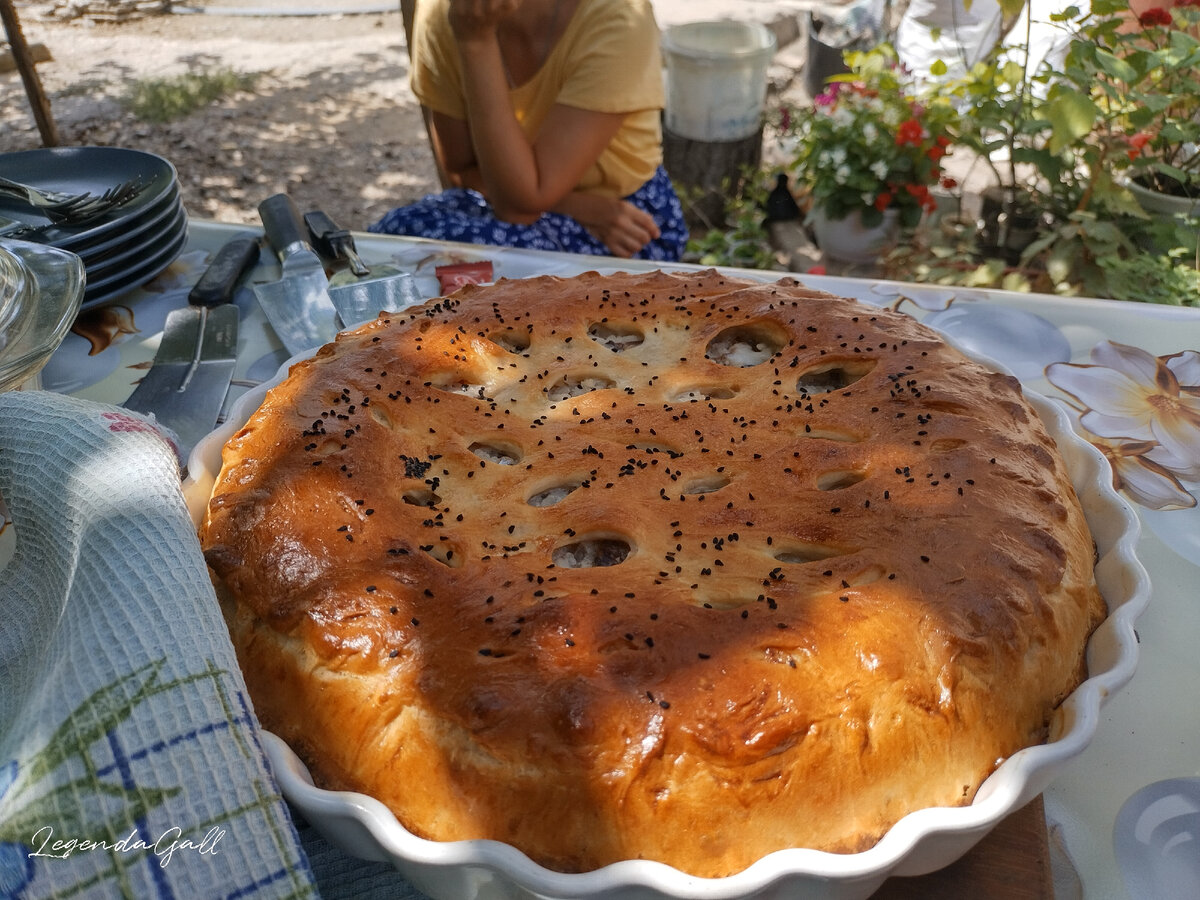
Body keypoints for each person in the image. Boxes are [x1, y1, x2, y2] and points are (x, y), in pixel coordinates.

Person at [371, 0, 688, 261]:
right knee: (391, 240)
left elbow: (518, 207)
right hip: (525, 201)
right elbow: (459, 171)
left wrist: (476, 42)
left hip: (626, 222)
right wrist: (580, 206)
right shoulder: (447, 13)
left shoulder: (617, 15)